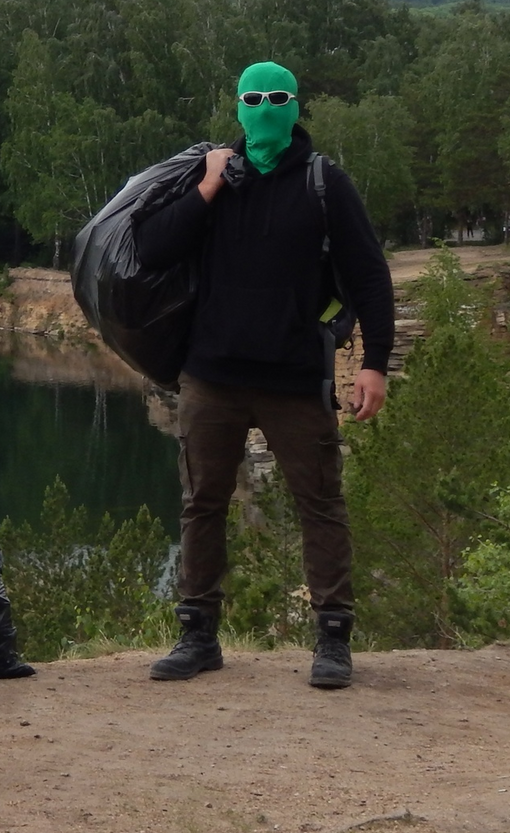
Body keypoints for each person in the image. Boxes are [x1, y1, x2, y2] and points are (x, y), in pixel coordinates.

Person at [131, 61, 395, 689]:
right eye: (253, 98)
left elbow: (369, 276)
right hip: (211, 375)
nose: (265, 108)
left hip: (296, 378)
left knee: (320, 505)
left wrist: (375, 364)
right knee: (203, 505)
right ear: (239, 107)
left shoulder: (324, 181)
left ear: (296, 105)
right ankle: (198, 635)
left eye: (277, 98)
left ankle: (333, 639)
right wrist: (207, 187)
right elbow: (152, 248)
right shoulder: (215, 176)